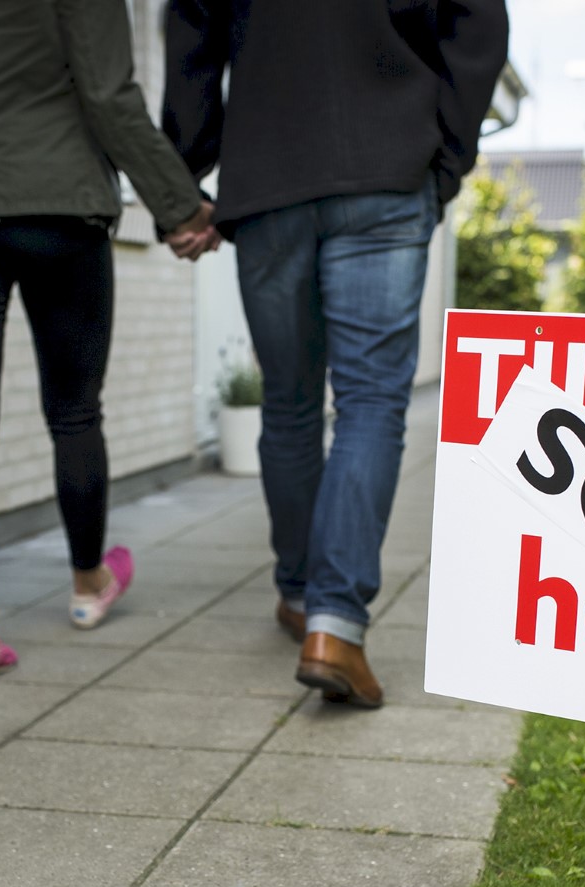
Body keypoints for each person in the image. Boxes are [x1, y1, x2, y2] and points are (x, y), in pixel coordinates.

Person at [164, 0, 509, 707]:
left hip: (266, 182)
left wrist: (188, 164)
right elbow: (476, 22)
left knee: (289, 403)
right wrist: (447, 155)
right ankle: (335, 624)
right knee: (372, 403)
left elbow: (193, 33)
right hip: (387, 165)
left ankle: (298, 593)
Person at [0, 0, 219, 685]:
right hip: (57, 204)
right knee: (74, 410)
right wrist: (180, 205)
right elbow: (107, 94)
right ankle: (86, 585)